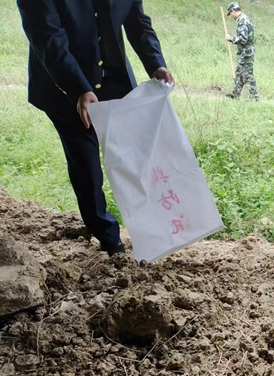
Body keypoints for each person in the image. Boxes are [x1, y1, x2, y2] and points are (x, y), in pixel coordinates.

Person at [17, 0, 173, 256]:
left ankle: (152, 229)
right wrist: (79, 88)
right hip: (65, 85)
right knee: (87, 166)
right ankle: (110, 240)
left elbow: (137, 21)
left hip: (114, 79)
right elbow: (48, 38)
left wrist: (156, 62)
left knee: (137, 155)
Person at [225, 2, 259, 101]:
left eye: (230, 13)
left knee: (247, 75)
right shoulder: (244, 18)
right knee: (239, 73)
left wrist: (230, 38)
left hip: (246, 53)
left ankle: (255, 97)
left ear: (233, 11)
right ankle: (235, 94)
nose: (231, 16)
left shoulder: (242, 21)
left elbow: (243, 39)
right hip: (244, 52)